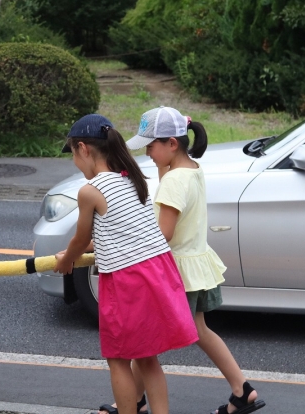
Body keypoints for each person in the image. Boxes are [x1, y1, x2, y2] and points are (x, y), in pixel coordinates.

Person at [114, 106, 266, 414]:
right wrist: (160, 169)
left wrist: (125, 241)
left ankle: (132, 402)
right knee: (198, 331)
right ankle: (242, 389)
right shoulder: (191, 169)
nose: (147, 152)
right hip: (195, 265)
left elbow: (163, 234)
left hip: (174, 271)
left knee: (146, 345)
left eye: (151, 145)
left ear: (171, 143)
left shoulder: (173, 181)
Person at [54, 113, 198, 414]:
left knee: (118, 358)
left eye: (73, 155)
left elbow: (81, 239)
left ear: (83, 149)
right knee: (147, 357)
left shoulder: (90, 191)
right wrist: (76, 252)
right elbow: (119, 232)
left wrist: (67, 259)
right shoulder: (132, 178)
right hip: (158, 269)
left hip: (127, 280)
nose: (75, 163)